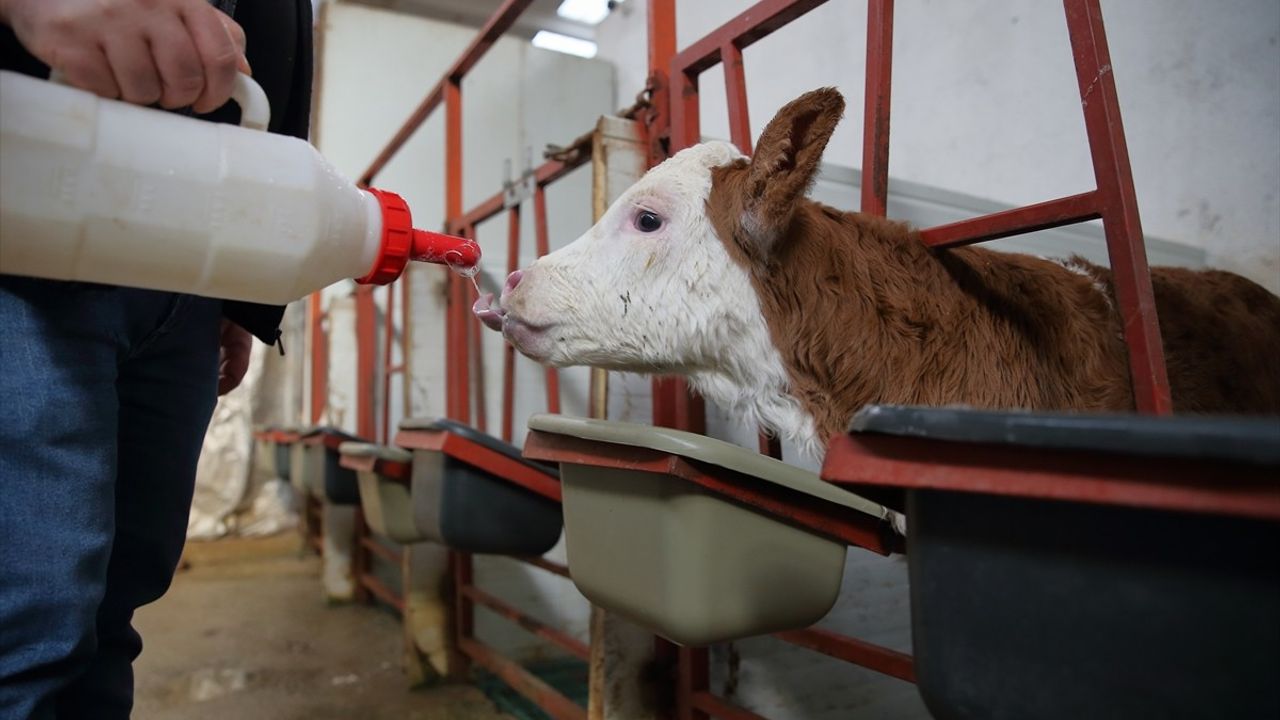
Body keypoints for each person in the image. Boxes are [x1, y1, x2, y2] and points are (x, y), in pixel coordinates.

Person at [0, 1, 313, 717]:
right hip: (28, 229)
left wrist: (246, 299)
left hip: (188, 271)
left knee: (112, 613)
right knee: (27, 628)